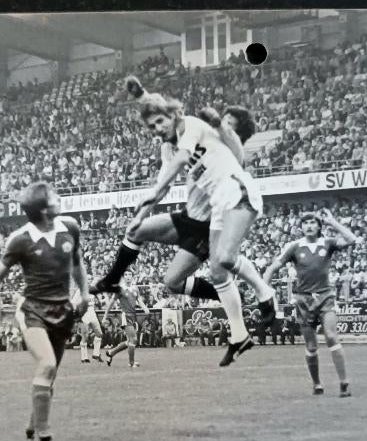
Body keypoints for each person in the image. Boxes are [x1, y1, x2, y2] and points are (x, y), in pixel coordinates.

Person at [95, 79, 276, 335]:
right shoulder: (184, 138)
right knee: (171, 280)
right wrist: (142, 96)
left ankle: (256, 292)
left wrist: (220, 127)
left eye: (228, 125)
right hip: (188, 217)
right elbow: (168, 119)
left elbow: (227, 152)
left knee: (223, 259)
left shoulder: (230, 155)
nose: (218, 126)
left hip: (206, 223)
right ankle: (112, 279)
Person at [0, 182, 88, 441]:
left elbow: (77, 263)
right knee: (47, 364)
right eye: (52, 196)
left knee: (50, 376)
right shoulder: (21, 239)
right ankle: (44, 436)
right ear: (43, 208)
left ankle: (34, 420)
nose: (58, 198)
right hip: (33, 311)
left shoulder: (70, 227)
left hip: (63, 311)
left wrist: (84, 294)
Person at [262, 209, 359, 397]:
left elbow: (351, 239)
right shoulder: (294, 246)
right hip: (303, 300)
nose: (309, 226)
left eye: (313, 222)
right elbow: (272, 268)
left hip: (325, 297)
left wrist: (333, 222)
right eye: (305, 223)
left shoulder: (328, 243)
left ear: (319, 226)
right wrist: (263, 290)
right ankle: (316, 383)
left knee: (331, 336)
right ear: (301, 227)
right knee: (311, 346)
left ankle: (344, 382)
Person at [102, 275, 149, 368]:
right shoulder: (120, 289)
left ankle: (111, 353)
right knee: (134, 339)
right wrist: (104, 317)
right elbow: (110, 304)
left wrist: (145, 308)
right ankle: (131, 363)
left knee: (129, 341)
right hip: (125, 316)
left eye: (129, 275)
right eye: (126, 275)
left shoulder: (135, 288)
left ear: (132, 277)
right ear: (124, 277)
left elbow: (139, 300)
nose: (128, 277)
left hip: (133, 316)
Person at [72, 287, 104, 364]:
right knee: (85, 336)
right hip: (84, 313)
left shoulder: (92, 289)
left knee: (99, 333)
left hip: (92, 312)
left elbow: (98, 300)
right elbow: (73, 302)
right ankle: (84, 357)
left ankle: (96, 354)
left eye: (89, 279)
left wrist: (98, 300)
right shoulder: (79, 290)